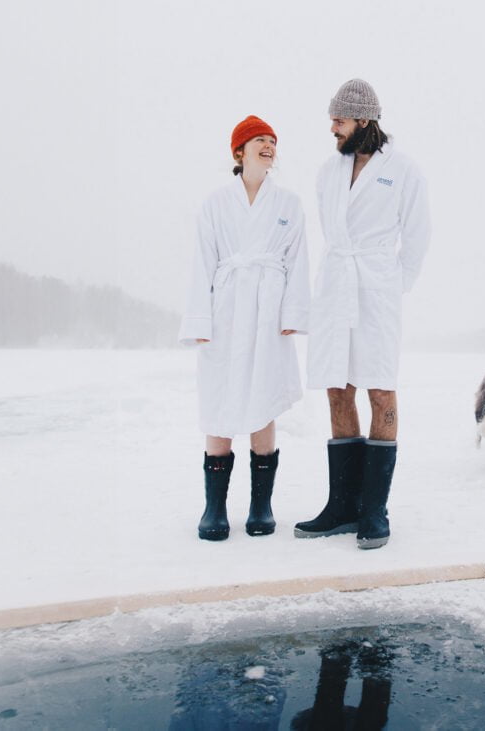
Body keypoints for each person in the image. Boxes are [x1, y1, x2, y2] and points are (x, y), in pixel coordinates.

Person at [295, 79, 431, 550]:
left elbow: (416, 237)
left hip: (376, 287)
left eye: (340, 120)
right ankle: (342, 507)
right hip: (336, 285)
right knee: (337, 387)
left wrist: (394, 284)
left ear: (364, 120)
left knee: (379, 387)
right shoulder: (326, 172)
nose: (333, 128)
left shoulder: (404, 170)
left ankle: (374, 510)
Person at [179, 115, 310, 541]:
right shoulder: (216, 204)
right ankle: (214, 508)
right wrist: (200, 318)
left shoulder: (288, 204)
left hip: (268, 313)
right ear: (239, 152)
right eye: (259, 141)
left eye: (273, 140)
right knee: (219, 400)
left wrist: (293, 314)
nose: (269, 146)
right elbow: (201, 264)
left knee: (263, 399)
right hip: (227, 312)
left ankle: (261, 506)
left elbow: (298, 262)